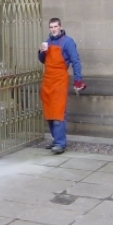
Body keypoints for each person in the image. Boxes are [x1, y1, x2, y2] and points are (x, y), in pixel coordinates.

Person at [38, 18, 86, 154]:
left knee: (58, 111)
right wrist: (41, 52)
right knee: (49, 111)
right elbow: (42, 61)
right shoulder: (46, 42)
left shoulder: (68, 42)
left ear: (60, 27)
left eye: (55, 26)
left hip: (60, 79)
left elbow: (76, 61)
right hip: (47, 80)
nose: (53, 29)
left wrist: (78, 80)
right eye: (51, 27)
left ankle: (60, 143)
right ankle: (56, 139)